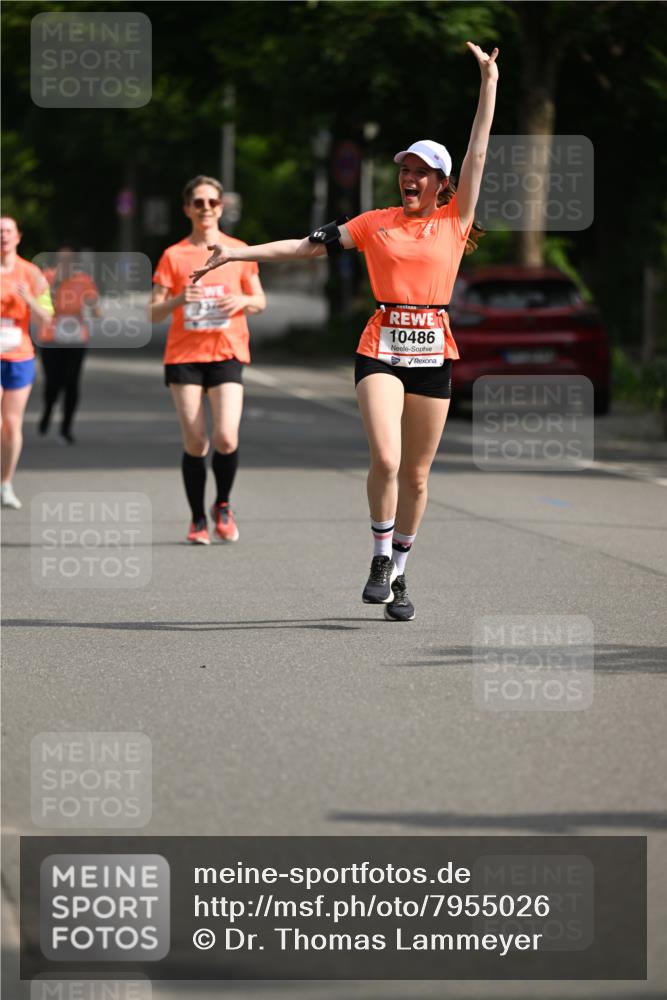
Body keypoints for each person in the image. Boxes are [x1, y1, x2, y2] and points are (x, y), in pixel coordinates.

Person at [191, 42, 498, 617]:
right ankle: (380, 555)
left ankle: (402, 575)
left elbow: (479, 151)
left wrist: (490, 83)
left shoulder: (455, 223)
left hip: (433, 349)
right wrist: (236, 255)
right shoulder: (373, 224)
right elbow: (305, 247)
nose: (408, 178)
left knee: (419, 475)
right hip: (380, 346)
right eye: (404, 170)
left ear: (441, 183)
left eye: (420, 172)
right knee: (386, 458)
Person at [150, 175, 266, 544]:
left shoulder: (239, 250)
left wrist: (243, 302)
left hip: (228, 351)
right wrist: (180, 299)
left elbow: (259, 301)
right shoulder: (174, 255)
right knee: (196, 441)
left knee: (226, 438)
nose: (205, 208)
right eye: (198, 203)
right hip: (185, 356)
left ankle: (223, 504)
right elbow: (153, 313)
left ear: (221, 207)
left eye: (212, 202)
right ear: (187, 209)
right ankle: (198, 518)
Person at [1, 216, 53, 509]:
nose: (3, 236)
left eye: (8, 231)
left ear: (18, 237)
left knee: (11, 425)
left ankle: (5, 483)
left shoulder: (31, 273)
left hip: (19, 355)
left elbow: (47, 317)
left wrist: (29, 299)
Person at [38, 247, 102, 444]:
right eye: (62, 260)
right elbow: (39, 306)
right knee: (53, 382)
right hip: (51, 338)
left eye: (70, 260)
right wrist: (56, 285)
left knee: (71, 382)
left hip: (76, 338)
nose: (66, 264)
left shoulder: (84, 280)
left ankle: (66, 427)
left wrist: (92, 305)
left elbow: (97, 311)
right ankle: (48, 409)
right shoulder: (46, 278)